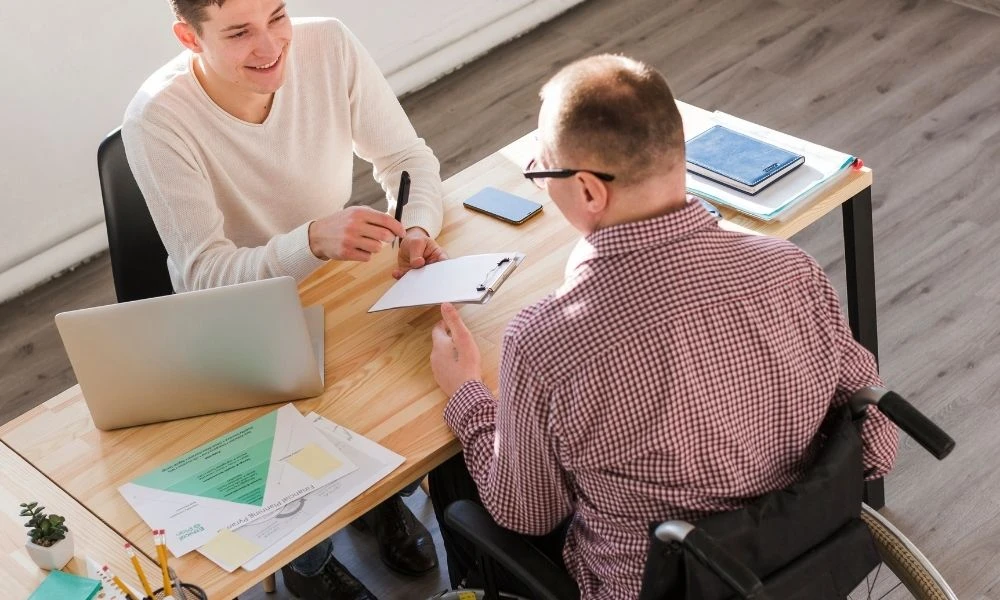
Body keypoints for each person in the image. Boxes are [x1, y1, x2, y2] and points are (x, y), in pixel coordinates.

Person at [427, 54, 899, 599]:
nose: (539, 180)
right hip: (804, 564)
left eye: (542, 170)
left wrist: (465, 394)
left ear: (588, 191)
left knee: (468, 479)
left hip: (663, 588)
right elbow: (876, 445)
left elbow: (528, 513)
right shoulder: (789, 269)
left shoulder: (543, 341)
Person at [122, 1, 444, 598]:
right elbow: (202, 276)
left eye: (277, 16)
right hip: (239, 318)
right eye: (240, 32)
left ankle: (379, 500)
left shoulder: (330, 44)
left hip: (335, 281)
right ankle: (310, 559)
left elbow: (406, 159)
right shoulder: (156, 119)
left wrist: (417, 225)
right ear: (187, 37)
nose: (271, 46)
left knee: (406, 385)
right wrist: (309, 241)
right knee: (308, 438)